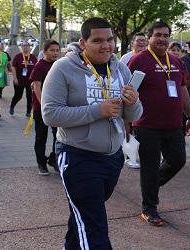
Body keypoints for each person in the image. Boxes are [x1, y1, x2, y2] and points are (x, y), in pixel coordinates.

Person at [42, 17, 142, 249]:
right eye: (97, 40)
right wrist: (98, 110)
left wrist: (133, 102)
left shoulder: (120, 68)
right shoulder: (63, 68)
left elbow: (132, 115)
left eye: (109, 40)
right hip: (77, 156)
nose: (106, 45)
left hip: (112, 158)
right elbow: (50, 114)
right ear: (83, 43)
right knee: (93, 224)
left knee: (83, 216)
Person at [128, 21, 190, 227]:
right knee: (149, 166)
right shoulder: (138, 61)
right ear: (149, 37)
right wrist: (127, 122)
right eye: (158, 35)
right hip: (146, 124)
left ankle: (150, 186)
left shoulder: (176, 62)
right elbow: (128, 92)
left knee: (178, 160)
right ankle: (149, 208)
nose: (162, 39)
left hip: (174, 124)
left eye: (166, 35)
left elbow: (183, 90)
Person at [29, 40, 61, 175]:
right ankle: (41, 163)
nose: (55, 53)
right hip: (41, 108)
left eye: (57, 50)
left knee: (58, 136)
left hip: (58, 108)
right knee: (41, 137)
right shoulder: (40, 66)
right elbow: (36, 86)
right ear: (45, 51)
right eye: (52, 50)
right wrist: (44, 105)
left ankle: (54, 159)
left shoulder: (59, 65)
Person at [11, 42, 37, 117]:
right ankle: (12, 106)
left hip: (30, 81)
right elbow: (13, 67)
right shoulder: (18, 57)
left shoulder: (33, 57)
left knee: (29, 97)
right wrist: (15, 78)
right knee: (18, 96)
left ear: (30, 47)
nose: (25, 47)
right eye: (24, 46)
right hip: (19, 80)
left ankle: (28, 112)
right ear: (21, 47)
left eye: (27, 46)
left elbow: (36, 68)